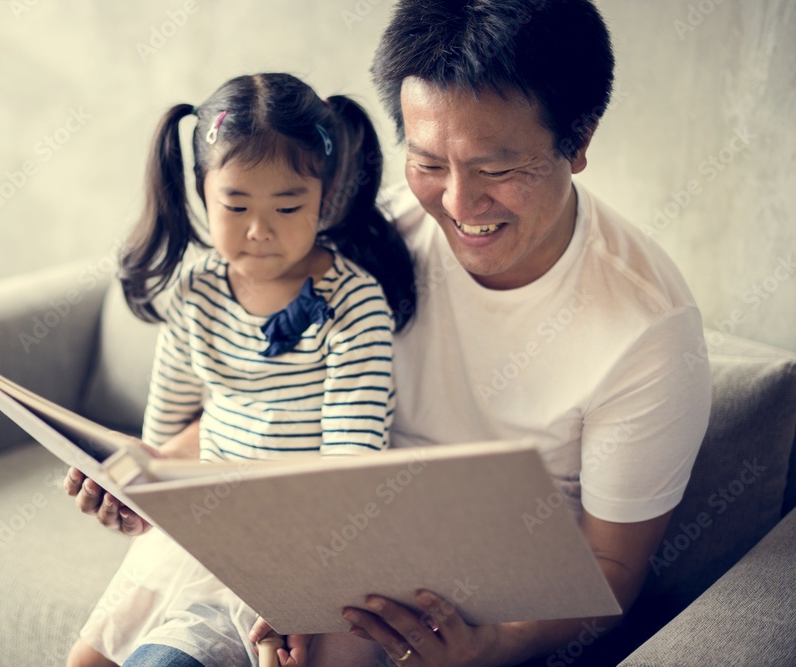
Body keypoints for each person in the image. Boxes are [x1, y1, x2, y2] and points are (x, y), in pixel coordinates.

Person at [70, 1, 714, 665]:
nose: (459, 206)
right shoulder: (372, 236)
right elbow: (273, 405)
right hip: (298, 554)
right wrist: (150, 471)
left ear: (577, 140)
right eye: (430, 162)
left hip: (455, 611)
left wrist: (489, 644)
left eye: (497, 168)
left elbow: (613, 569)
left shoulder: (647, 331)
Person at [66, 72, 416, 667]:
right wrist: (128, 486)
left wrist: (296, 589)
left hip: (322, 537)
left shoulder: (354, 304)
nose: (260, 229)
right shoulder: (195, 295)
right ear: (202, 192)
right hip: (208, 529)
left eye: (287, 205)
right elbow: (167, 444)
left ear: (325, 195)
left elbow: (349, 475)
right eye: (235, 205)